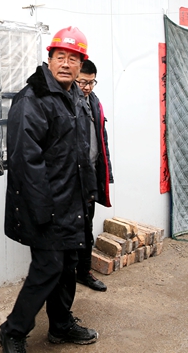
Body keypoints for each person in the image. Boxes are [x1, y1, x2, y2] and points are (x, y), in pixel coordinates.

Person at [0, 27, 99, 353]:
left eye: (73, 59)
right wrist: (44, 212)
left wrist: (88, 193)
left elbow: (80, 152)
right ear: (50, 59)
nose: (66, 64)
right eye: (61, 57)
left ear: (80, 64)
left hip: (72, 202)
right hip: (46, 207)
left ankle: (61, 324)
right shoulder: (33, 99)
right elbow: (25, 162)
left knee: (67, 266)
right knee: (48, 268)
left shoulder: (74, 97)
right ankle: (13, 331)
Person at [75, 59, 114, 292]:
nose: (87, 87)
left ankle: (83, 272)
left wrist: (106, 173)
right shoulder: (67, 103)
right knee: (70, 231)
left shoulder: (95, 103)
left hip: (90, 177)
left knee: (87, 228)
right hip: (72, 180)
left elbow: (102, 140)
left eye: (91, 82)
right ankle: (65, 276)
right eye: (83, 82)